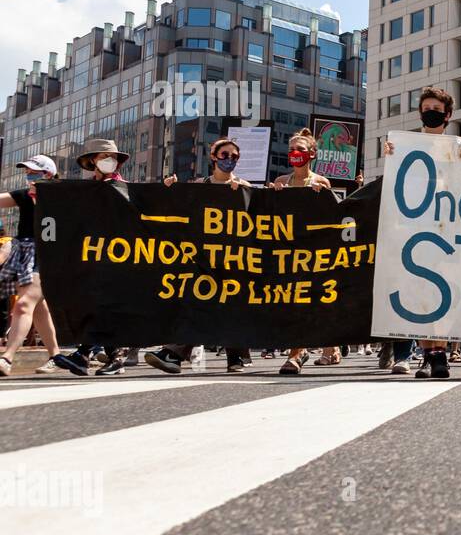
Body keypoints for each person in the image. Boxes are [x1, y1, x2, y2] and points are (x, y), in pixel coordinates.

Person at [382, 87, 461, 378]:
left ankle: (438, 351)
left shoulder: (458, 146)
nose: (431, 112)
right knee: (419, 293)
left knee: (445, 291)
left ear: (448, 115)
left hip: (448, 227)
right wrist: (390, 157)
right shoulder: (404, 146)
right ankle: (430, 353)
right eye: (426, 108)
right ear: (420, 112)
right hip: (415, 229)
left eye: (436, 109)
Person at [146, 138, 253, 374]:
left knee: (229, 305)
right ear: (213, 157)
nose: (230, 160)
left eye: (235, 157)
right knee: (200, 303)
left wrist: (245, 195)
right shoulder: (199, 185)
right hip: (203, 260)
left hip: (233, 260)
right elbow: (178, 211)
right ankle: (175, 353)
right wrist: (170, 190)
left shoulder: (244, 186)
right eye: (225, 155)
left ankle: (233, 356)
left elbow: (264, 216)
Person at [54, 140, 134, 376]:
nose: (110, 161)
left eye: (113, 157)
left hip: (118, 257)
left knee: (102, 304)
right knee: (95, 305)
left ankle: (85, 354)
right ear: (93, 161)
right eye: (103, 156)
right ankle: (107, 355)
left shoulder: (126, 189)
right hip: (89, 257)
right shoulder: (82, 191)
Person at [271, 128, 339, 376]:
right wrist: (272, 199)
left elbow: (332, 220)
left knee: (311, 303)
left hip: (313, 253)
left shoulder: (321, 182)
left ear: (312, 154)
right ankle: (302, 351)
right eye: (291, 150)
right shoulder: (280, 182)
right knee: (292, 305)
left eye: (300, 150)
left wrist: (321, 199)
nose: (295, 154)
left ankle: (298, 353)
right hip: (287, 253)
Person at [0, 155, 62, 376]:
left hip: (47, 257)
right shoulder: (25, 196)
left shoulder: (62, 198)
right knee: (37, 309)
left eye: (34, 172)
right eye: (27, 172)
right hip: (25, 256)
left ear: (49, 174)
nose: (29, 176)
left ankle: (7, 357)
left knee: (24, 305)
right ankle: (56, 356)